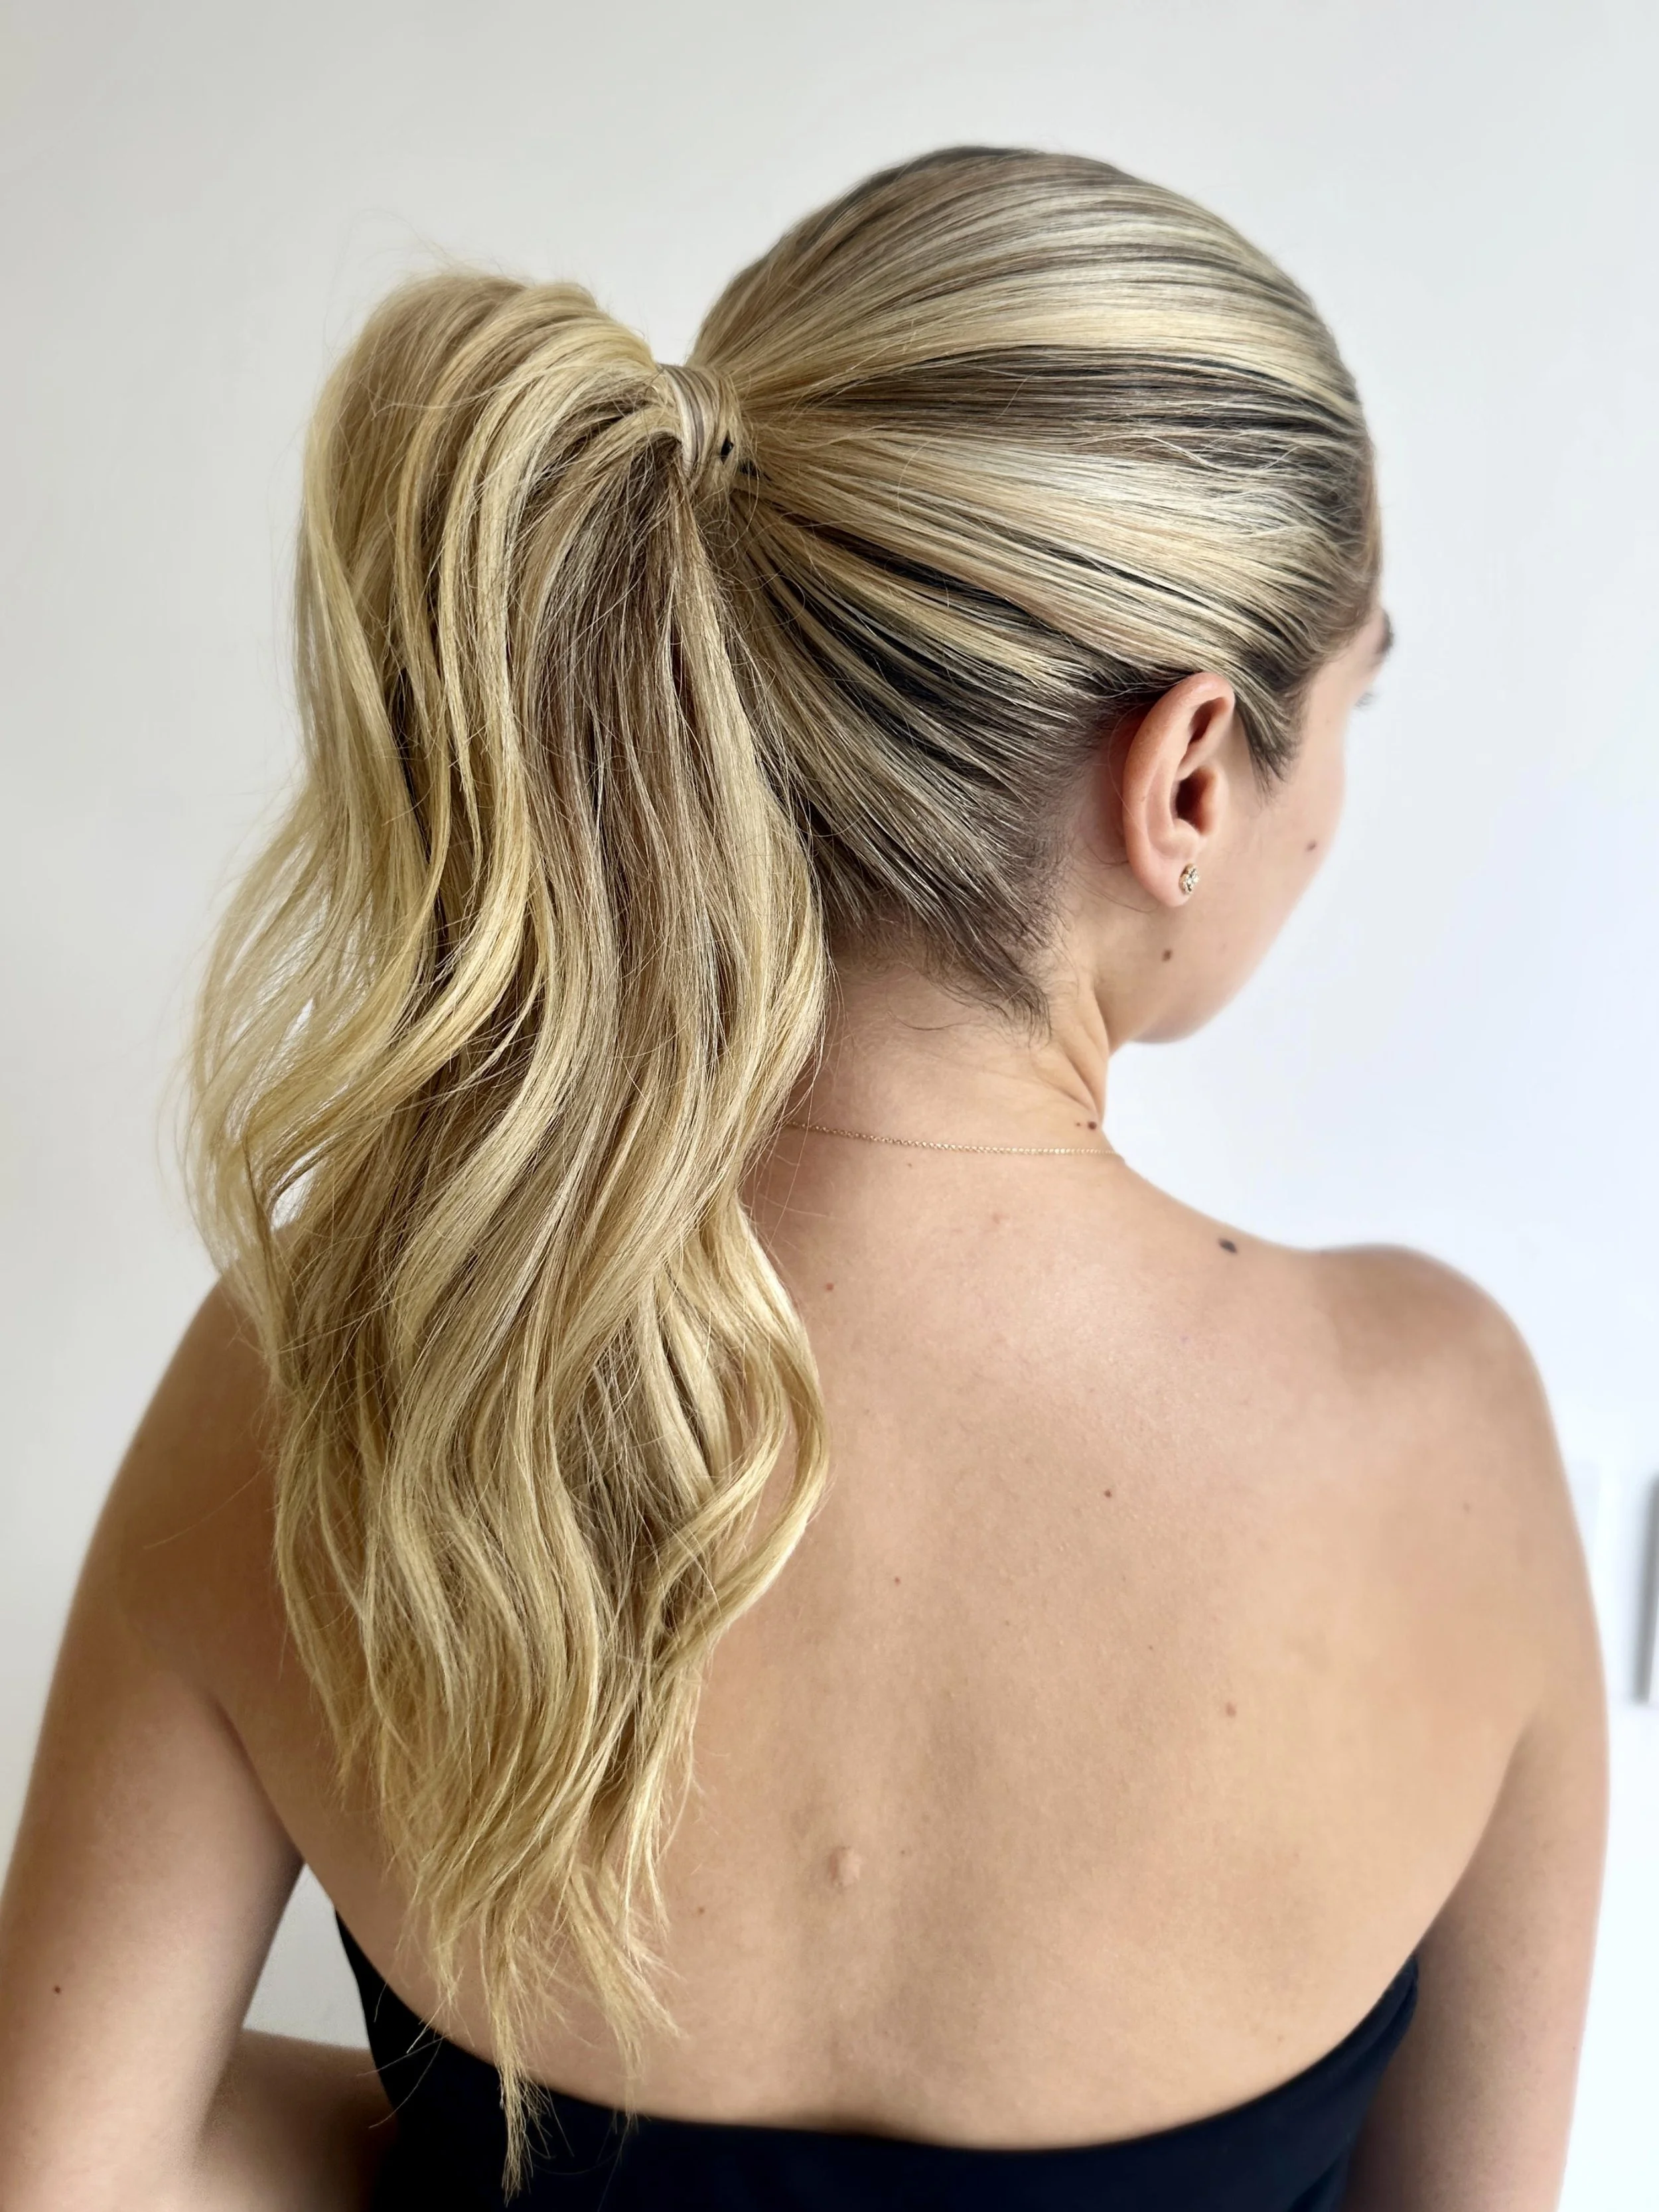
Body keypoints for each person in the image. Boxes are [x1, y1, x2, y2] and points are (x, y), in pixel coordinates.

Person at [0, 147, 1607, 2211]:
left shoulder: (338, 1363)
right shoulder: (1436, 1440)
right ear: (1192, 771)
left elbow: (63, 2167)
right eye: (1351, 696)